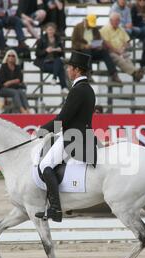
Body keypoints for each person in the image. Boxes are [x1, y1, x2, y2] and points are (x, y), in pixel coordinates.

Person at [35, 51, 97, 223]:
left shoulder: (77, 90)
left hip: (73, 137)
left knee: (46, 164)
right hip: (83, 134)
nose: (68, 70)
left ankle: (55, 208)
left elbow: (62, 119)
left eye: (70, 68)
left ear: (77, 70)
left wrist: (43, 131)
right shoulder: (89, 89)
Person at [71, 14, 122, 84]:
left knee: (104, 52)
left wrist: (98, 45)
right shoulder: (78, 27)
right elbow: (74, 43)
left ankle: (113, 74)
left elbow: (98, 39)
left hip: (92, 51)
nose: (91, 27)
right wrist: (84, 46)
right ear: (86, 21)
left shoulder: (94, 28)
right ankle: (88, 74)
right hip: (81, 52)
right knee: (87, 50)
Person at [99, 12, 144, 82]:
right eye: (116, 20)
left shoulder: (121, 29)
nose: (118, 22)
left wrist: (123, 48)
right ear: (111, 20)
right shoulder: (104, 29)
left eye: (118, 20)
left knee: (127, 59)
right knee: (120, 60)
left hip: (121, 50)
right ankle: (135, 72)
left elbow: (127, 41)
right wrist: (117, 51)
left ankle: (135, 74)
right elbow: (106, 44)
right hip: (111, 52)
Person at [34, 23, 69, 94]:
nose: (51, 31)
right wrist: (45, 51)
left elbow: (62, 53)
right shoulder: (42, 39)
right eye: (49, 30)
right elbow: (37, 53)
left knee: (58, 61)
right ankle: (63, 87)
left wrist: (60, 50)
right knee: (60, 68)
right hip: (44, 63)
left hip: (54, 62)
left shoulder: (58, 38)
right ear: (46, 30)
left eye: (52, 30)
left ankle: (54, 78)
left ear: (55, 30)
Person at [0, 49, 30, 113]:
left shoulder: (17, 67)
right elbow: (4, 84)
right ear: (6, 57)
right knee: (15, 92)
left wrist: (10, 82)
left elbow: (20, 79)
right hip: (1, 89)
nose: (11, 57)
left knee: (22, 92)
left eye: (13, 56)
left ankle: (28, 109)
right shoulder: (3, 67)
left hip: (13, 88)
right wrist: (14, 81)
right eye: (9, 55)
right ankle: (22, 110)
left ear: (15, 58)